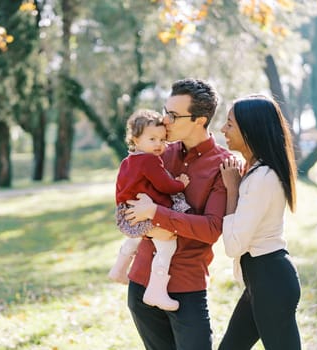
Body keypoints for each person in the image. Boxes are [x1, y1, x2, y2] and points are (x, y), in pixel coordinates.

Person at [124, 78, 231, 350]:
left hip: (187, 287)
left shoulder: (223, 165)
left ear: (200, 119)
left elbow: (211, 229)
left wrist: (156, 213)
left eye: (173, 115)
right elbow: (128, 202)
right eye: (165, 110)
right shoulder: (157, 153)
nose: (164, 120)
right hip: (141, 282)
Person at [218, 95, 301, 349]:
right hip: (260, 280)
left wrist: (232, 189)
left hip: (270, 281)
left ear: (250, 129)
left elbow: (234, 246)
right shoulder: (254, 171)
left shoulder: (263, 177)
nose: (223, 129)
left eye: (230, 124)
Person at [109, 109, 191, 311]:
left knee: (135, 237)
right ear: (136, 140)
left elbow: (119, 188)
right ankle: (156, 291)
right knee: (167, 245)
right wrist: (180, 184)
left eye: (163, 140)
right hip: (145, 212)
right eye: (152, 139)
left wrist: (124, 205)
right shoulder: (150, 160)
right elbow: (164, 185)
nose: (159, 145)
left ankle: (119, 269)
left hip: (127, 211)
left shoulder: (127, 161)